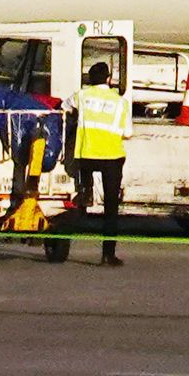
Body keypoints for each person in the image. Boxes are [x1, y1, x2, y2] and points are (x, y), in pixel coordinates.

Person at [70, 59, 130, 267]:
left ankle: (86, 190)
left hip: (86, 156)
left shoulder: (82, 95)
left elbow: (65, 106)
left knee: (83, 168)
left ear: (90, 79)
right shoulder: (121, 102)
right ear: (109, 79)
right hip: (112, 158)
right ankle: (108, 255)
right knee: (111, 208)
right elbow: (128, 133)